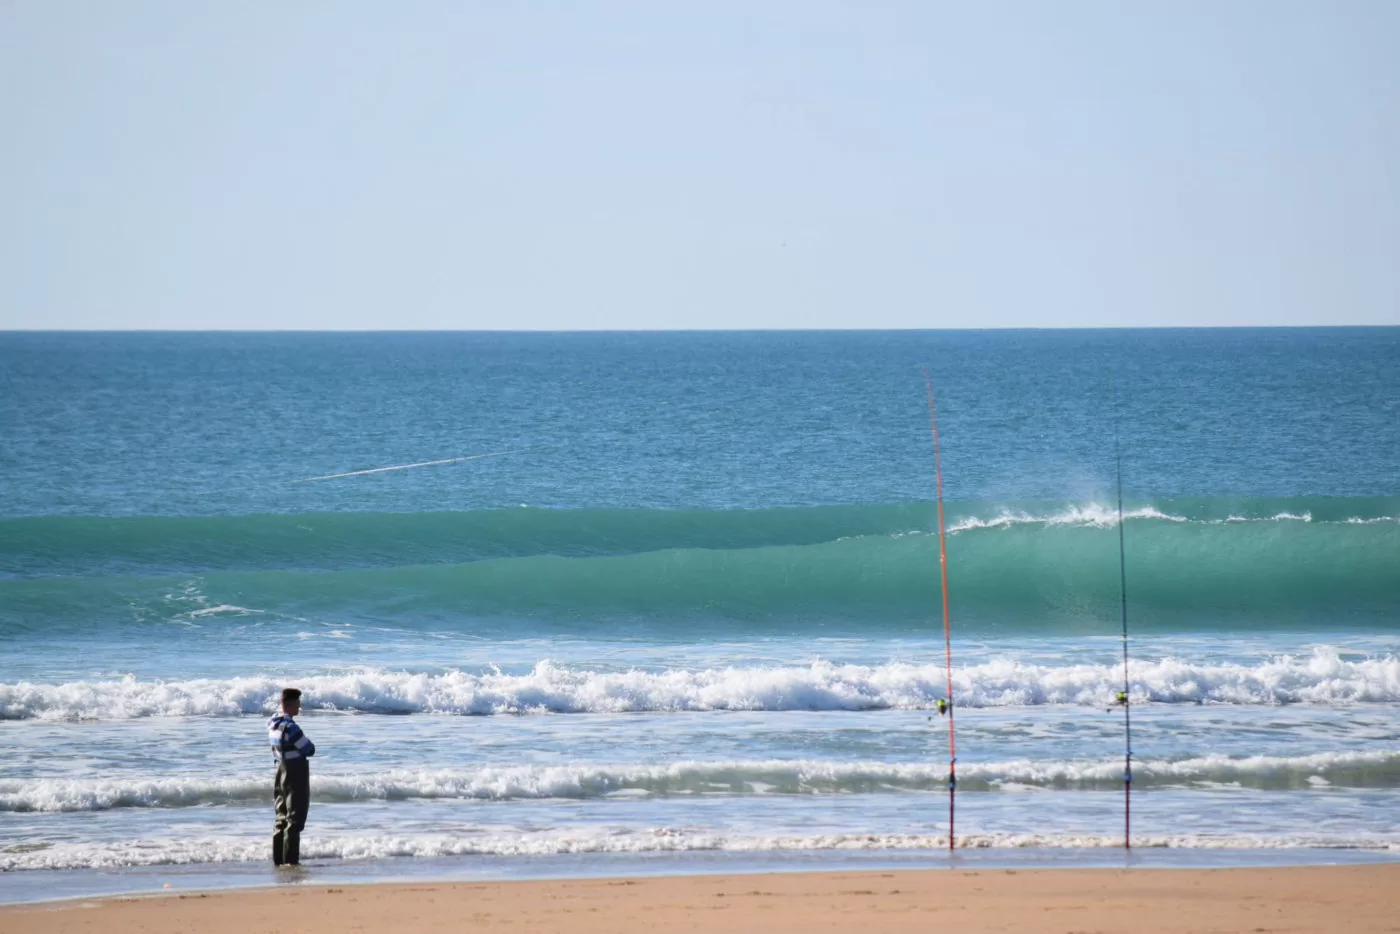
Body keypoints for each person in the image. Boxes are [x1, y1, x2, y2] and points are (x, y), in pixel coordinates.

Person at [267, 687, 315, 866]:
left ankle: (278, 860)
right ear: (290, 703)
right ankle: (291, 861)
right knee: (295, 819)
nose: (299, 707)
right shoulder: (291, 728)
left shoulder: (273, 724)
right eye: (297, 703)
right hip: (295, 772)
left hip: (279, 770)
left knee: (281, 817)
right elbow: (309, 749)